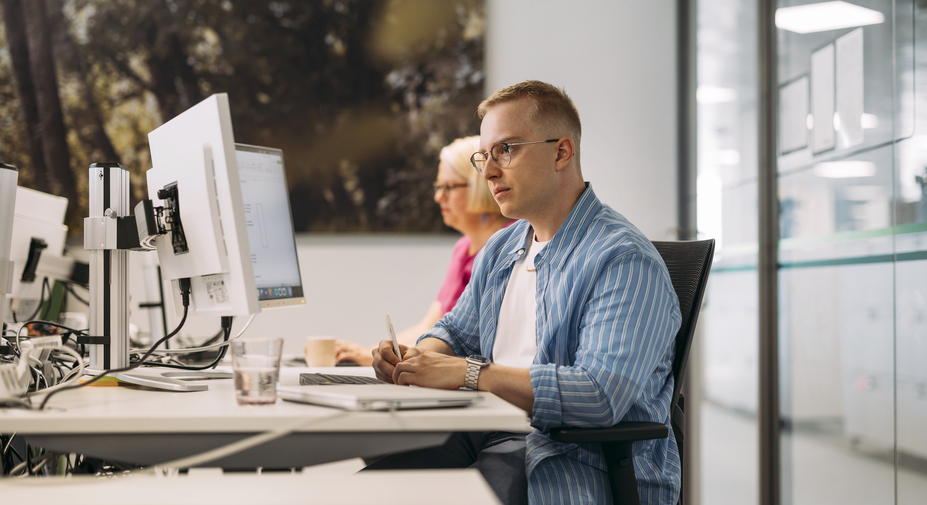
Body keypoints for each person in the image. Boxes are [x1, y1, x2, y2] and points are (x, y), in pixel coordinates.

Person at [367, 81, 682, 505]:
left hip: (567, 459)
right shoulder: (503, 246)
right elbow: (456, 332)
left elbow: (598, 395)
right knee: (365, 490)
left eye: (506, 150)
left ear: (561, 152)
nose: (489, 172)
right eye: (485, 156)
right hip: (487, 433)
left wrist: (469, 373)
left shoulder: (623, 259)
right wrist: (416, 358)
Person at [332, 136, 512, 366]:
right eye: (438, 187)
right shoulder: (463, 249)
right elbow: (429, 326)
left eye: (448, 187)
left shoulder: (511, 244)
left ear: (479, 185)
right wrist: (370, 353)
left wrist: (372, 356)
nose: (438, 197)